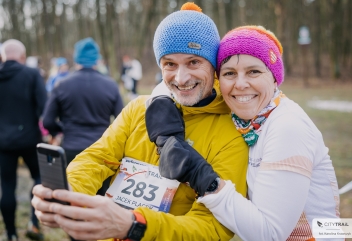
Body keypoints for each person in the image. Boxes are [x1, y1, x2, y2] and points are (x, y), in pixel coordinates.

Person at [31, 3, 248, 241]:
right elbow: (98, 158)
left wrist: (136, 225)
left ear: (214, 66)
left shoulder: (233, 131)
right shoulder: (138, 109)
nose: (181, 77)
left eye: (194, 62)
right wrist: (69, 192)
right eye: (170, 64)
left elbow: (213, 227)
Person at [156, 26, 342, 241]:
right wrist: (158, 105)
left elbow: (270, 235)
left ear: (274, 78)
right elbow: (178, 81)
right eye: (229, 74)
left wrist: (204, 179)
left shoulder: (288, 127)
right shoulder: (250, 120)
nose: (241, 84)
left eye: (254, 71)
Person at [42, 37, 124, 196]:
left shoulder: (62, 85)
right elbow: (122, 120)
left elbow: (47, 121)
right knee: (101, 200)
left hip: (72, 149)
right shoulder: (110, 85)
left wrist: (63, 129)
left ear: (76, 58)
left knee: (73, 199)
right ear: (96, 59)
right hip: (103, 151)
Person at [0, 39, 47, 241]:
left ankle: (10, 234)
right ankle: (34, 223)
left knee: (7, 186)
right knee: (38, 178)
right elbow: (44, 107)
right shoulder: (31, 74)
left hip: (3, 142)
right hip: (30, 139)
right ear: (22, 56)